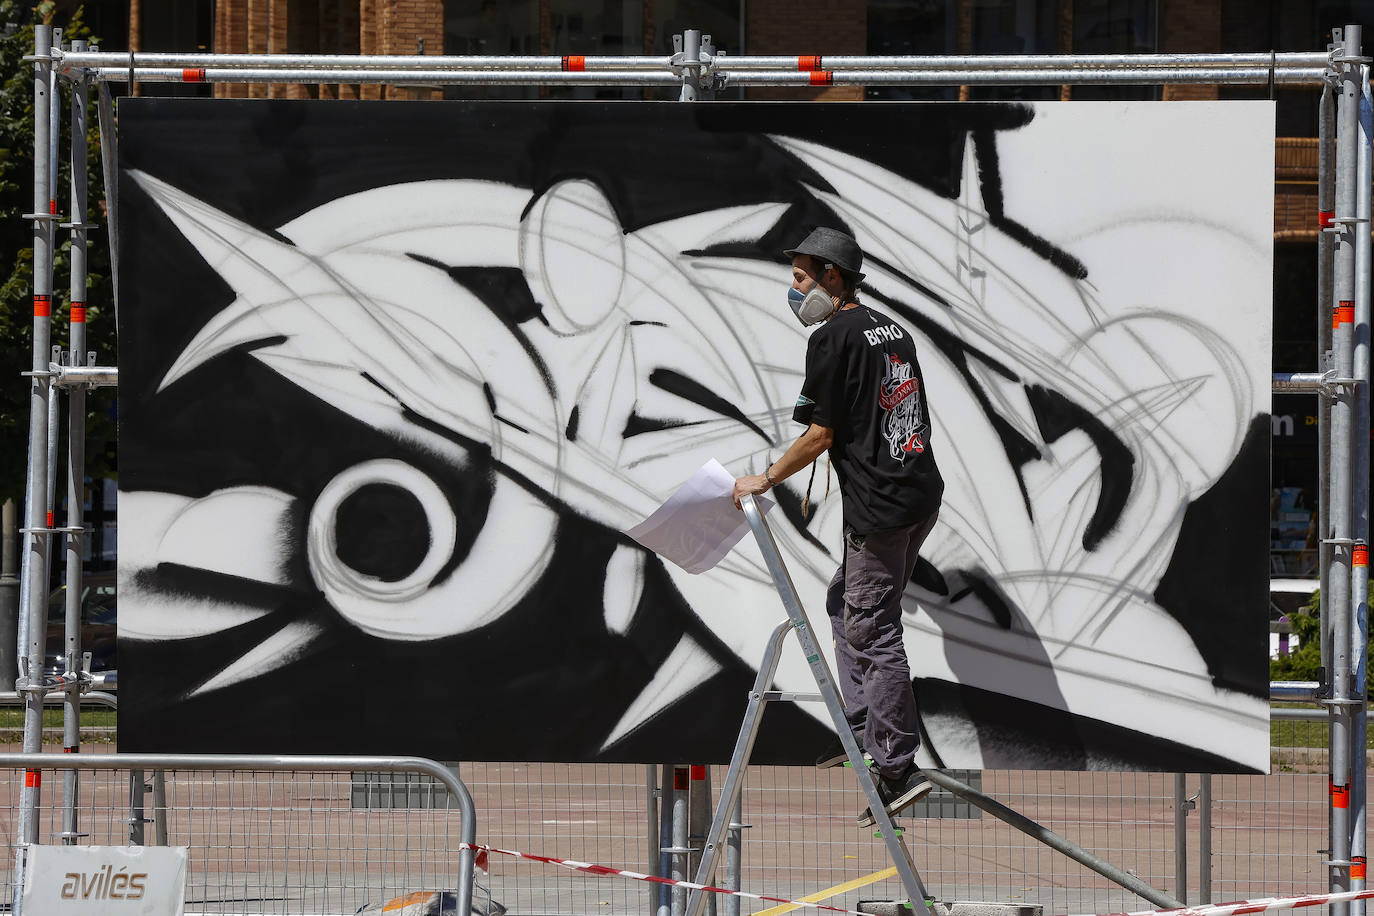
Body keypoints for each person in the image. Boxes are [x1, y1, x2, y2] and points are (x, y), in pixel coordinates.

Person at [732, 227, 945, 826]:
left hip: (879, 510)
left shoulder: (832, 337)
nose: (793, 288)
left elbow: (820, 434)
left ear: (833, 276)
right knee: (842, 603)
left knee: (873, 631)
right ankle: (864, 736)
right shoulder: (890, 328)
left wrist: (765, 479)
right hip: (917, 497)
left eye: (801, 276)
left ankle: (897, 768)